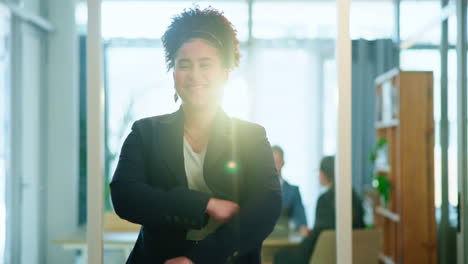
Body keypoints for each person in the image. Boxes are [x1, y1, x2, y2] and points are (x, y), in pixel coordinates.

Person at [110, 6, 282, 264]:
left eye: (205, 64)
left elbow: (265, 208)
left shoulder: (250, 137)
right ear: (174, 73)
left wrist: (199, 259)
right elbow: (126, 196)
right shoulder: (145, 133)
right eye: (184, 65)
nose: (194, 75)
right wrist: (203, 204)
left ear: (225, 72)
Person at [273, 156, 365, 264]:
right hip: (350, 254)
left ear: (324, 174)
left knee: (280, 256)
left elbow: (320, 234)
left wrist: (309, 235)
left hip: (325, 255)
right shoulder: (354, 196)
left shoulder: (324, 200)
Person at [271, 145, 308, 236]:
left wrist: (301, 227)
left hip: (287, 239)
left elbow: (301, 220)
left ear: (283, 163)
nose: (274, 166)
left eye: (277, 162)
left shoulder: (293, 191)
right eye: (271, 162)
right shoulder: (258, 191)